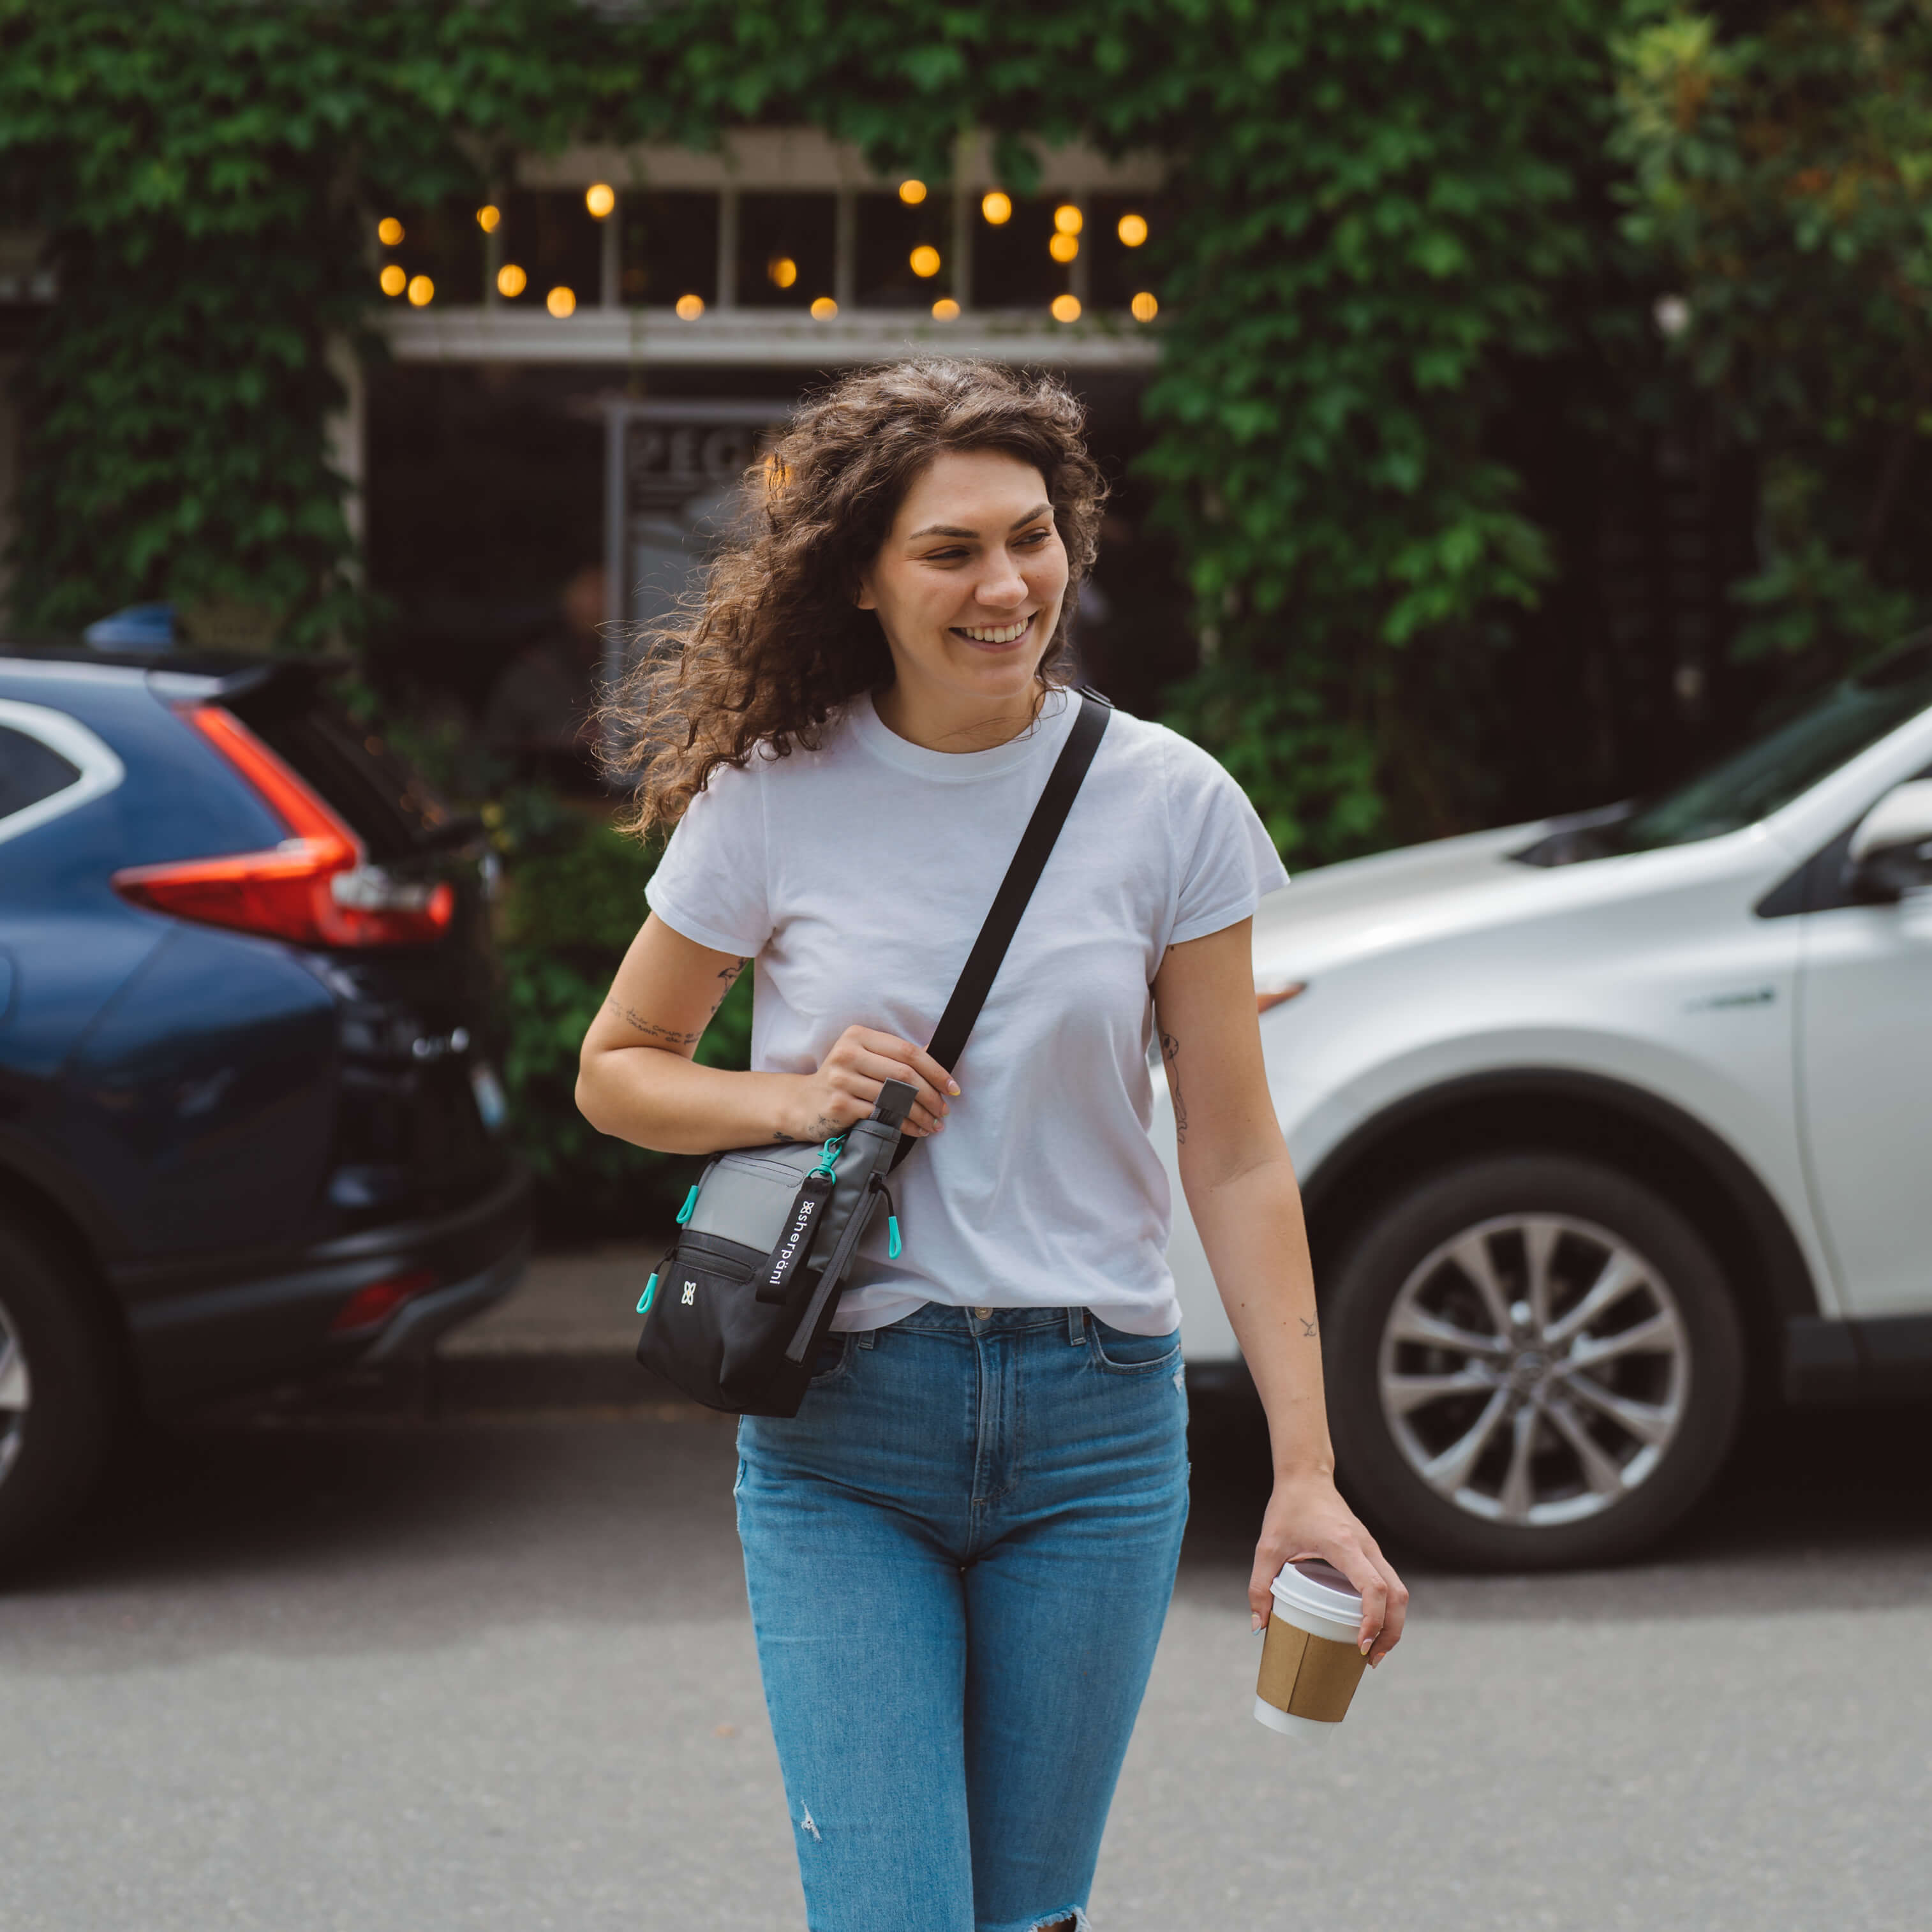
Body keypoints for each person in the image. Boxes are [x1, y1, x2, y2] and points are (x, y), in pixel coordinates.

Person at [577, 361, 1407, 1932]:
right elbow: (617, 1071)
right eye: (949, 549)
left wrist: (1305, 1469)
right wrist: (795, 1094)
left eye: (1030, 537)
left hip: (1096, 1429)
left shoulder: (1170, 803)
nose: (1004, 583)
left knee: (1026, 1915)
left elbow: (1231, 1151)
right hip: (845, 1434)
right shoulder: (771, 797)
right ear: (865, 576)